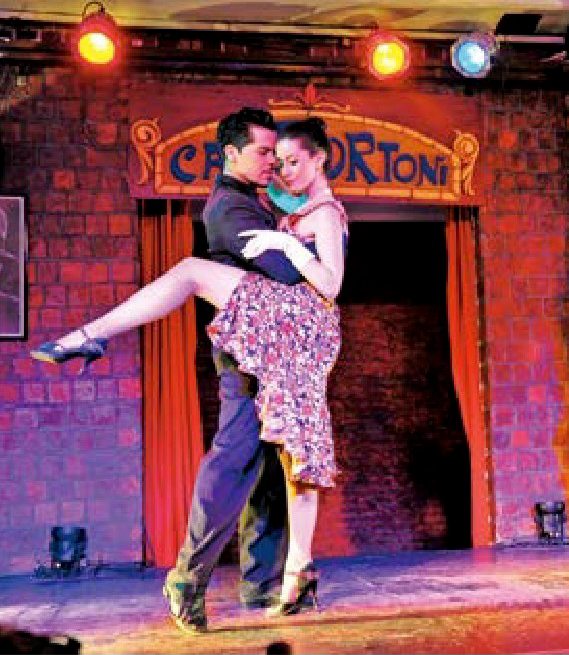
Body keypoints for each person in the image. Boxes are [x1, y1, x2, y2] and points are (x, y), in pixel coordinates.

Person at [30, 116, 347, 628]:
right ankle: (196, 578)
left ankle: (266, 582)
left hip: (281, 335)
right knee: (242, 459)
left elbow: (316, 274)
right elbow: (287, 272)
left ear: (318, 159)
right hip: (257, 340)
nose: (276, 166)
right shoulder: (229, 207)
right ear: (231, 153)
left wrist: (289, 240)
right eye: (267, 154)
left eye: (285, 158)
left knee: (276, 466)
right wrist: (290, 244)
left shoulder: (296, 208)